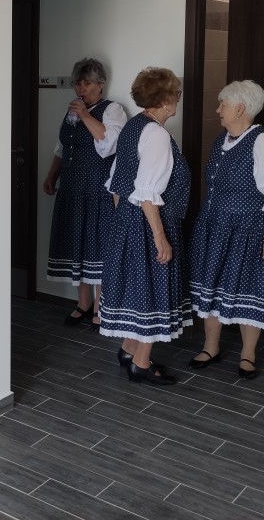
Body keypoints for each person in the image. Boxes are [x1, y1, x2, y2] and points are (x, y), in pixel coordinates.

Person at [187, 80, 264, 380]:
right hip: (214, 228)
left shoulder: (263, 143)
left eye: (222, 104)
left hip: (248, 231)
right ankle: (210, 347)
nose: (218, 110)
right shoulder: (221, 140)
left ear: (240, 108)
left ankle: (248, 354)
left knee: (249, 291)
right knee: (211, 288)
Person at [98, 67, 190, 385]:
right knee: (151, 291)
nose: (178, 99)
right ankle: (141, 363)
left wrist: (124, 223)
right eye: (176, 94)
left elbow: (116, 183)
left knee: (140, 289)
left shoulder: (134, 126)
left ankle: (128, 349)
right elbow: (148, 194)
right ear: (165, 100)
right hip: (148, 223)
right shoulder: (157, 135)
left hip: (129, 220)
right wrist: (160, 238)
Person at [43, 58, 127, 329]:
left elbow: (109, 144)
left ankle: (101, 308)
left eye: (87, 83)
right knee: (75, 244)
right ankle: (83, 303)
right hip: (71, 189)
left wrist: (86, 116)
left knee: (99, 248)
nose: (81, 88)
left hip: (97, 190)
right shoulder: (71, 111)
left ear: (100, 85)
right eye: (78, 83)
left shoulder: (112, 110)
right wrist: (51, 175)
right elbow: (62, 147)